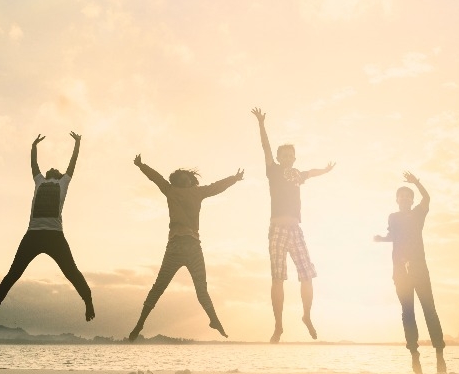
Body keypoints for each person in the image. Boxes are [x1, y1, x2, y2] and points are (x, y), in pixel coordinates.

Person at [0, 132, 94, 326]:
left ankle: (88, 300)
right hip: (34, 234)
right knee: (14, 273)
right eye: (51, 168)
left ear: (57, 174)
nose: (53, 168)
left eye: (55, 168)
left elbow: (73, 164)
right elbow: (34, 165)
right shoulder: (39, 181)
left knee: (71, 271)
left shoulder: (63, 182)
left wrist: (78, 143)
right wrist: (33, 147)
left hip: (54, 235)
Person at [128, 155, 244, 341]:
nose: (185, 180)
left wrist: (234, 179)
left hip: (185, 246)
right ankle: (140, 323)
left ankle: (214, 320)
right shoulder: (176, 190)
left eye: (186, 177)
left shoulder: (188, 191)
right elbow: (156, 177)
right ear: (178, 181)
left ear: (191, 180)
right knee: (175, 288)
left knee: (179, 288)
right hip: (183, 246)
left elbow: (216, 187)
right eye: (181, 178)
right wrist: (142, 165)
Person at [251, 107, 334, 343]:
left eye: (290, 156)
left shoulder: (298, 174)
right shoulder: (273, 171)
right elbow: (265, 147)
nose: (287, 159)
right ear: (279, 158)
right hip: (277, 229)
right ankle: (278, 326)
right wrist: (261, 123)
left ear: (294, 158)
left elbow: (312, 172)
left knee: (307, 274)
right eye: (283, 156)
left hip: (296, 230)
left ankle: (306, 316)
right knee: (278, 278)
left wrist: (326, 170)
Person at [375, 172, 446, 374]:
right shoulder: (393, 217)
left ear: (412, 200)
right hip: (400, 271)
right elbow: (393, 236)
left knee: (429, 310)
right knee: (408, 313)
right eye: (401, 196)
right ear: (397, 200)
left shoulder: (418, 214)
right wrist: (381, 239)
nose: (405, 198)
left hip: (420, 269)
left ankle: (440, 355)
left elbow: (427, 198)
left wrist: (416, 182)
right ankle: (415, 356)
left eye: (408, 196)